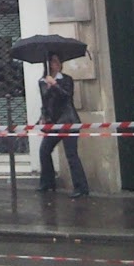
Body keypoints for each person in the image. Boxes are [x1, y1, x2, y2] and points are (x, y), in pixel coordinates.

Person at [38, 53, 89, 197]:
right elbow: (45, 103)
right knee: (44, 151)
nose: (57, 64)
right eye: (54, 61)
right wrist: (43, 116)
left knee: (71, 154)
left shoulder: (66, 80)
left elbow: (67, 97)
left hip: (68, 121)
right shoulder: (42, 81)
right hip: (53, 123)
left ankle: (81, 188)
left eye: (58, 61)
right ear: (48, 64)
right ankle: (47, 182)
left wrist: (54, 85)